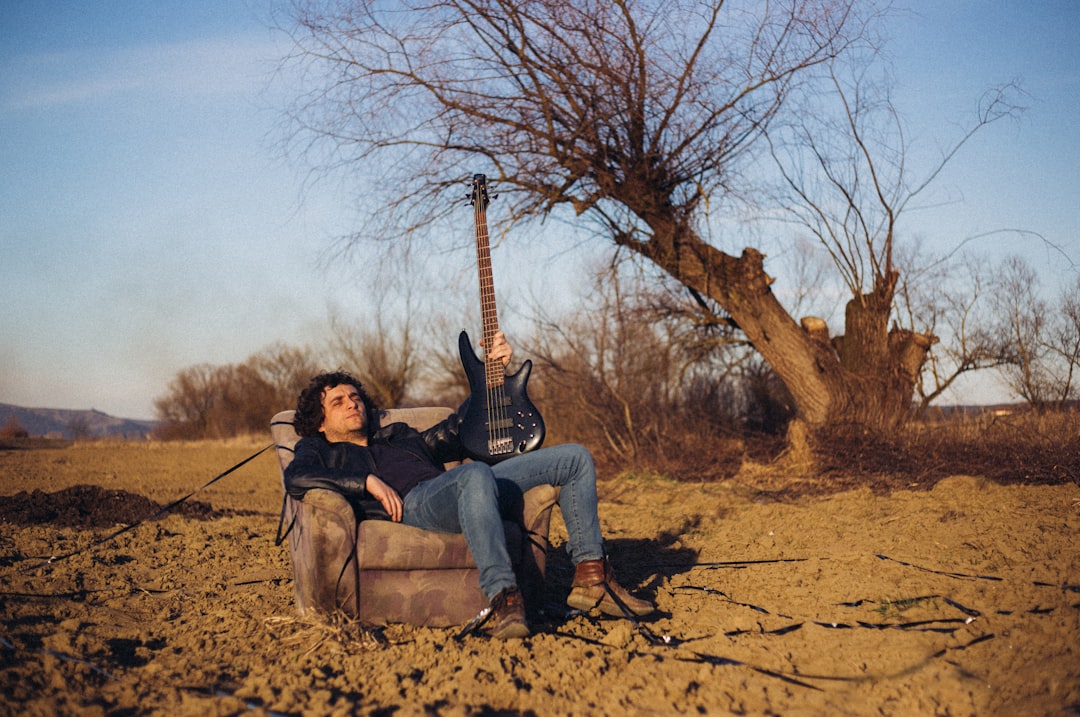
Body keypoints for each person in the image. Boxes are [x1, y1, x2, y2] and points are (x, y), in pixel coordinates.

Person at [283, 331, 654, 639]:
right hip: (416, 505)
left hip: (460, 489)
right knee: (473, 474)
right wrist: (365, 481)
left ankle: (591, 578)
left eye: (355, 397)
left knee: (574, 457)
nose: (352, 403)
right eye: (338, 402)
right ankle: (503, 598)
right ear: (319, 421)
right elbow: (295, 478)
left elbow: (467, 427)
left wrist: (495, 376)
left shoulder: (398, 436)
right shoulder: (319, 449)